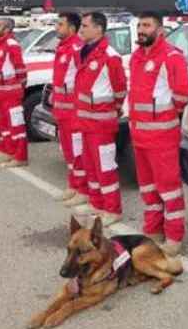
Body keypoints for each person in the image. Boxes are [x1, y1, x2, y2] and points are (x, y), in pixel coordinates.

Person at [128, 11, 188, 257]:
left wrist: (163, 116)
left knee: (169, 189)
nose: (141, 30)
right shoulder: (135, 57)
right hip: (140, 136)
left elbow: (183, 95)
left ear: (160, 31)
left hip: (162, 137)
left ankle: (174, 237)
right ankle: (153, 230)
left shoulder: (172, 57)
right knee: (148, 189)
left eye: (146, 25)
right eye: (139, 25)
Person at [73, 12, 127, 226]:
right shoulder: (84, 52)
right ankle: (96, 203)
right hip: (85, 121)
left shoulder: (110, 56)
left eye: (85, 26)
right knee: (90, 165)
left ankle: (112, 209)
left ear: (98, 29)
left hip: (101, 123)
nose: (81, 29)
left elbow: (120, 89)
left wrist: (112, 109)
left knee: (105, 166)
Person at [52, 13, 88, 207]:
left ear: (72, 28)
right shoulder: (62, 48)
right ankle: (73, 186)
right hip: (62, 110)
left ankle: (83, 189)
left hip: (74, 111)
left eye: (60, 24)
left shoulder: (77, 49)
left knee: (77, 152)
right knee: (68, 151)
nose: (56, 27)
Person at [0, 18, 28, 167]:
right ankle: (9, 152)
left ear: (7, 29)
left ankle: (20, 157)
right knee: (4, 125)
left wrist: (18, 87)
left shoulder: (12, 45)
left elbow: (20, 69)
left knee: (16, 126)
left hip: (11, 94)